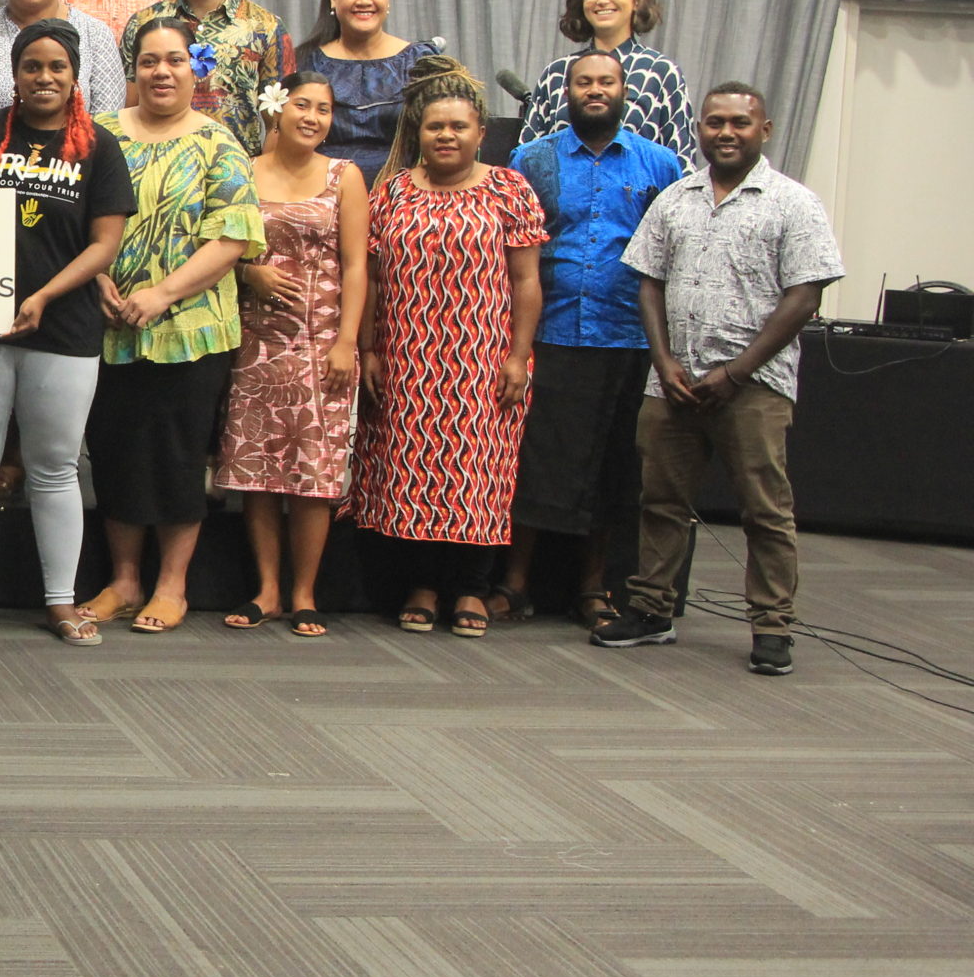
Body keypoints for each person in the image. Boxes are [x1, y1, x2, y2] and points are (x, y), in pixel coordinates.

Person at [591, 84, 843, 677]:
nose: (725, 133)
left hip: (753, 386)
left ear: (765, 129)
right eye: (714, 123)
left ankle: (772, 626)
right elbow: (648, 281)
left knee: (765, 509)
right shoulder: (676, 197)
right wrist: (664, 360)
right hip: (673, 383)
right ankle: (653, 610)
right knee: (659, 502)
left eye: (739, 123)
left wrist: (737, 370)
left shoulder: (793, 203)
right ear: (700, 129)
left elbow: (804, 296)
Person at [0, 19, 133, 644]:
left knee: (54, 467)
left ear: (76, 77)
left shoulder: (99, 145)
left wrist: (43, 296)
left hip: (65, 326)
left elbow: (106, 243)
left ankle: (61, 600)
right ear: (14, 75)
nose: (45, 78)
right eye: (32, 67)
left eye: (57, 68)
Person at [81, 18, 267, 633]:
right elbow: (74, 221)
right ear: (133, 70)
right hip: (106, 322)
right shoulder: (99, 134)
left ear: (196, 70)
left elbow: (234, 235)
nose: (162, 72)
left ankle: (172, 586)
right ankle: (124, 579)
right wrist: (97, 280)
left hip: (191, 328)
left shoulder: (219, 142)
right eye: (150, 61)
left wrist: (162, 294)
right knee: (114, 454)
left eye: (175, 62)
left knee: (177, 457)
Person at [349, 58, 547, 638]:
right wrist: (369, 351)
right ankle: (424, 585)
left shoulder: (509, 191)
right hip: (408, 357)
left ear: (481, 132)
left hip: (484, 362)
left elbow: (527, 282)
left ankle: (471, 587)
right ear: (419, 133)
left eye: (459, 127)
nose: (446, 136)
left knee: (479, 475)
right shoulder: (390, 197)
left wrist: (518, 355)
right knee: (412, 472)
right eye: (435, 127)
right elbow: (375, 282)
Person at [492, 52, 685, 630]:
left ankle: (593, 588)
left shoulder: (661, 164)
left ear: (624, 91)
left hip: (625, 336)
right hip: (547, 331)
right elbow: (512, 244)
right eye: (584, 83)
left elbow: (671, 253)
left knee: (611, 466)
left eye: (606, 82)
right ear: (567, 92)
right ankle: (515, 583)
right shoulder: (534, 157)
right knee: (534, 462)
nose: (594, 91)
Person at [213, 72, 369, 638]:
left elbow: (357, 265)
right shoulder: (245, 171)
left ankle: (305, 591)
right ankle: (268, 589)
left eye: (324, 109)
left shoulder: (344, 177)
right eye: (302, 104)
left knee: (312, 473)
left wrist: (348, 340)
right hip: (256, 341)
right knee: (258, 471)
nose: (312, 117)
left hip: (322, 342)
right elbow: (219, 243)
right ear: (277, 108)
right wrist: (247, 270)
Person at [120, 0, 293, 154]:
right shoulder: (143, 24)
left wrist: (263, 178)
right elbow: (127, 109)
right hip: (157, 170)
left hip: (237, 175)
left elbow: (279, 123)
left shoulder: (266, 28)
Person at [517, 0, 698, 160]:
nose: (602, 0)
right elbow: (527, 159)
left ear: (637, 0)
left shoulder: (661, 72)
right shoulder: (557, 73)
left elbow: (682, 160)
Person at [295, 0, 442, 177]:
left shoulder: (421, 62)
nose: (365, 1)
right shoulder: (306, 62)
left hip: (403, 196)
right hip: (323, 193)